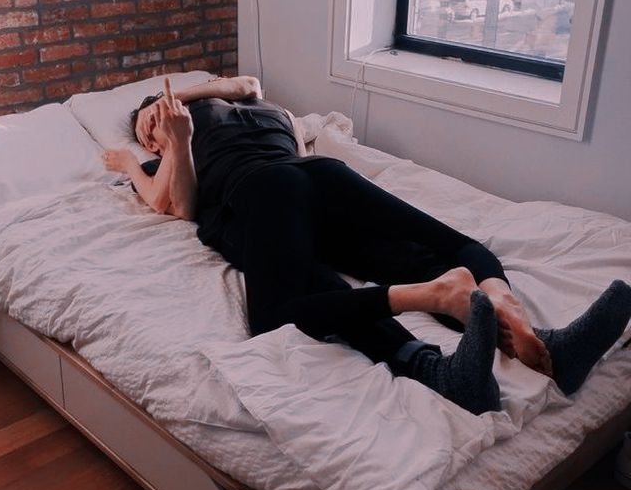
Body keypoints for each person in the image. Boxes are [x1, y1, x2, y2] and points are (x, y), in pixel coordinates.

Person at [103, 75, 631, 415]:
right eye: (147, 128)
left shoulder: (210, 121)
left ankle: (439, 319)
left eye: (154, 118)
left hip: (268, 191)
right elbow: (181, 191)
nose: (155, 126)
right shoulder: (236, 126)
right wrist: (166, 138)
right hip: (322, 179)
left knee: (280, 312)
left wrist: (164, 124)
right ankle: (533, 339)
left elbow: (182, 190)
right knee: (437, 247)